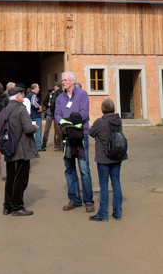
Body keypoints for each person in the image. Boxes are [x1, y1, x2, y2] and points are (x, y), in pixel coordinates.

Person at [54, 71, 94, 213]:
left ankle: (88, 201)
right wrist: (63, 123)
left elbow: (83, 114)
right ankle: (74, 199)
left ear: (72, 81)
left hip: (80, 135)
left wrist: (67, 122)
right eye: (62, 80)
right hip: (66, 136)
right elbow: (57, 114)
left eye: (65, 80)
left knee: (84, 169)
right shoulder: (59, 98)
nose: (62, 82)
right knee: (69, 169)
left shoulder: (82, 94)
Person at [1, 86, 39, 216]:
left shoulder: (4, 111)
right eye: (22, 94)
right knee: (21, 179)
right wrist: (35, 127)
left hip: (8, 148)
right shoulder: (21, 110)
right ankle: (17, 206)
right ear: (17, 96)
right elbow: (28, 128)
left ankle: (7, 206)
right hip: (21, 148)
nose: (23, 96)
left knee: (10, 178)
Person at [88, 98, 126, 221]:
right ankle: (118, 212)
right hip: (117, 155)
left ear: (103, 108)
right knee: (116, 183)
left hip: (104, 157)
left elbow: (91, 132)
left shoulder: (100, 122)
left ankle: (103, 214)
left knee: (104, 185)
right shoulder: (118, 120)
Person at [41, 82, 62, 151]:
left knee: (57, 130)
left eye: (54, 86)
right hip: (50, 113)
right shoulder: (50, 94)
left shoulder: (59, 94)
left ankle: (56, 144)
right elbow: (44, 102)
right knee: (47, 129)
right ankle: (44, 143)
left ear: (56, 87)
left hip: (55, 113)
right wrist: (47, 104)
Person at [27, 84, 43, 149]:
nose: (39, 89)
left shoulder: (28, 95)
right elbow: (33, 102)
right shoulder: (33, 95)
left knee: (31, 131)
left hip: (31, 116)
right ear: (35, 88)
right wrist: (39, 106)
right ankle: (38, 146)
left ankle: (31, 146)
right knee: (38, 131)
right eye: (38, 88)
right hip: (36, 116)